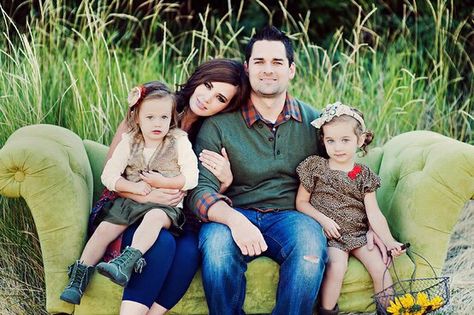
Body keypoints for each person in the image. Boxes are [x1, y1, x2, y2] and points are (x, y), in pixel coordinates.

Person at [85, 59, 249, 315]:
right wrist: (146, 194)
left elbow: (198, 191)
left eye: (220, 98)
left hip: (177, 218)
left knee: (189, 251)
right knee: (161, 244)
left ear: (226, 107)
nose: (206, 99)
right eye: (206, 85)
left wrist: (225, 181)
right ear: (198, 79)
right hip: (127, 210)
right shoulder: (155, 104)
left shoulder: (210, 133)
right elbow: (111, 173)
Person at [186, 26, 327, 315]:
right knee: (217, 250)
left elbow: (337, 177)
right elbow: (199, 192)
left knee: (311, 245)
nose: (268, 70)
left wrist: (365, 227)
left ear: (291, 70)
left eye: (277, 62)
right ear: (247, 67)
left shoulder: (314, 123)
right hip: (233, 213)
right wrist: (236, 221)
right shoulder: (219, 124)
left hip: (291, 217)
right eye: (260, 62)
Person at [60, 81, 199, 304]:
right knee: (105, 229)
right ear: (136, 118)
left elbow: (192, 178)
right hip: (131, 200)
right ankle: (79, 277)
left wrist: (165, 182)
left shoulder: (179, 141)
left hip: (166, 205)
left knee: (153, 218)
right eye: (150, 117)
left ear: (172, 119)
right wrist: (133, 187)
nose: (157, 123)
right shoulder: (130, 141)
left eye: (164, 118)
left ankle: (126, 261)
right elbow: (109, 176)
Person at [295, 102, 405, 315]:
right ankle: (327, 311)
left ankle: (389, 311)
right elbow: (301, 203)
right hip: (331, 235)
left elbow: (373, 213)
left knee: (380, 269)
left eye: (345, 140)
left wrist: (390, 241)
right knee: (336, 267)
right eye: (331, 141)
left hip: (359, 234)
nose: (338, 147)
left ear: (360, 140)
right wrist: (323, 220)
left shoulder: (364, 175)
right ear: (323, 141)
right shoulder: (316, 167)